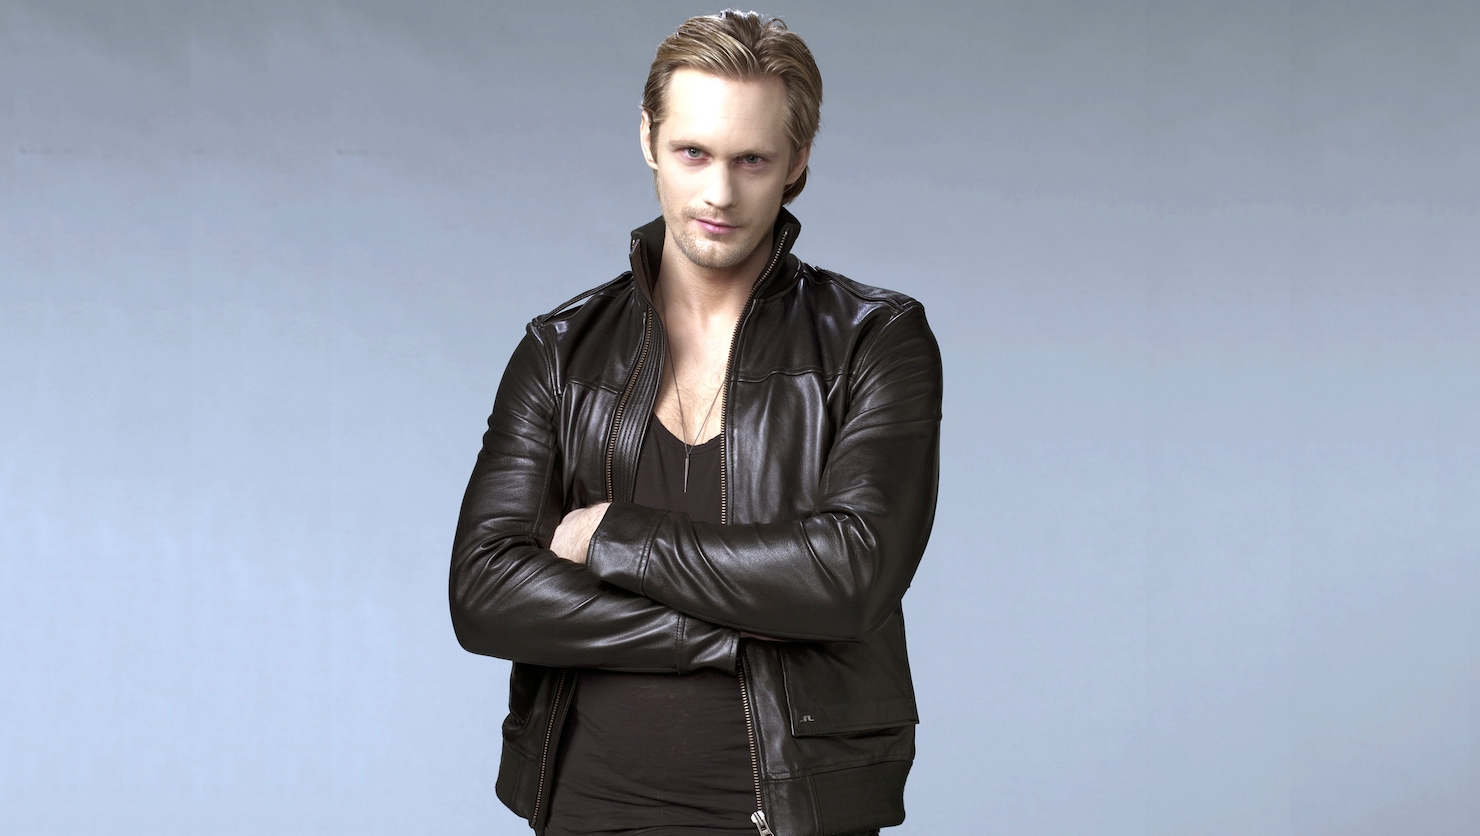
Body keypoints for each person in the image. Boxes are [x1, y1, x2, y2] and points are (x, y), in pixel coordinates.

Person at [450, 10, 941, 836]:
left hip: (795, 813)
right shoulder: (561, 351)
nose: (719, 193)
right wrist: (731, 629)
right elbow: (486, 592)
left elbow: (851, 573)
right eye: (693, 153)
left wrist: (614, 537)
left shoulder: (874, 340)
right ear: (648, 139)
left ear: (798, 161)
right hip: (586, 809)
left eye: (752, 160)